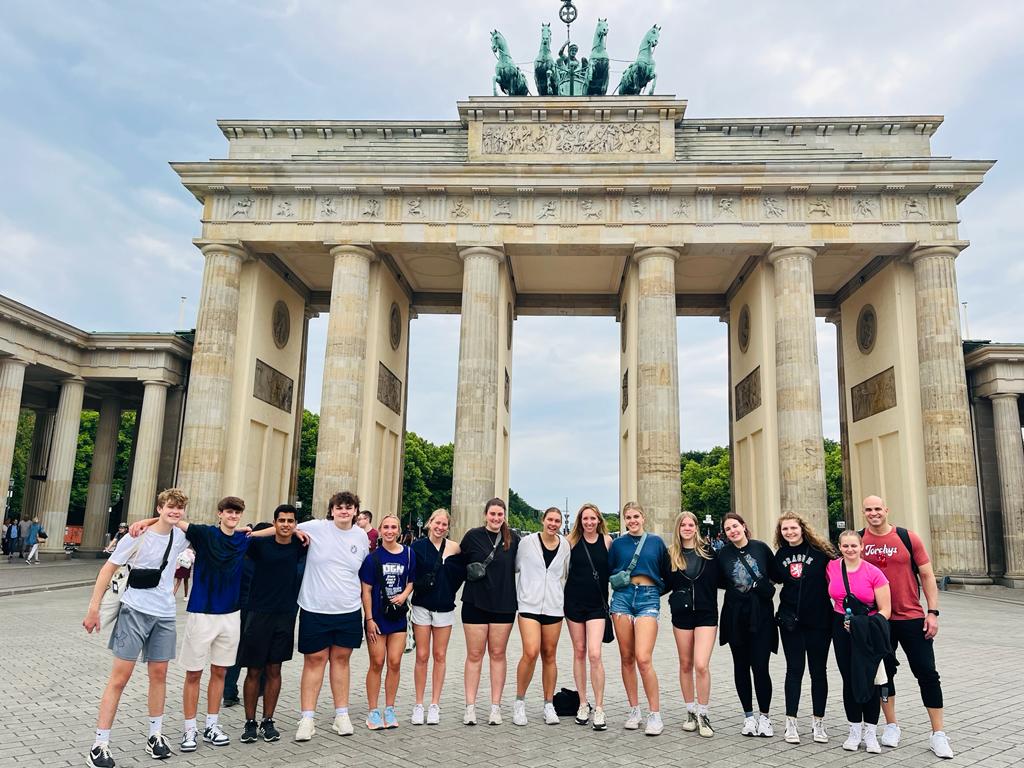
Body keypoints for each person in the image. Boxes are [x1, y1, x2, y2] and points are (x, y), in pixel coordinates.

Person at [131, 495, 256, 752]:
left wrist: (296, 531)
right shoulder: (204, 533)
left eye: (237, 513)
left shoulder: (243, 538)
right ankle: (190, 728)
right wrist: (146, 521)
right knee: (194, 673)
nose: (233, 516)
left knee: (220, 672)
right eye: (229, 512)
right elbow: (173, 519)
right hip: (202, 612)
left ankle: (212, 725)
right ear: (220, 513)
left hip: (231, 614)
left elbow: (272, 531)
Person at [82, 488, 191, 767]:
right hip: (134, 611)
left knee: (159, 675)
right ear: (159, 508)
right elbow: (107, 569)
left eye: (179, 507)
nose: (175, 511)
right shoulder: (136, 535)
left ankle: (155, 736)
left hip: (165, 614)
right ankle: (99, 744)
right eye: (169, 506)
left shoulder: (181, 536)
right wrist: (93, 608)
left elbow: (207, 532)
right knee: (120, 678)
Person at [860, 495, 953, 758]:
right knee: (884, 675)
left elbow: (927, 575)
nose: (874, 513)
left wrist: (932, 612)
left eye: (878, 508)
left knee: (927, 673)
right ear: (864, 512)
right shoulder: (860, 540)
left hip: (911, 616)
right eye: (868, 509)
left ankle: (938, 733)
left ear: (886, 510)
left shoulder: (907, 537)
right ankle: (891, 725)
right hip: (878, 620)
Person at [292, 490, 370, 742]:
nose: (344, 511)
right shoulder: (316, 527)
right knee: (314, 661)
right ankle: (307, 718)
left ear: (355, 511)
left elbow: (363, 573)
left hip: (348, 608)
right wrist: (252, 533)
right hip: (315, 607)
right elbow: (284, 527)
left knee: (341, 661)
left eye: (349, 507)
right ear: (332, 510)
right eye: (339, 507)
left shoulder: (361, 536)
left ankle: (341, 714)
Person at [237, 505, 306, 745]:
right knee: (253, 670)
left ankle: (268, 720)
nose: (286, 524)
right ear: (274, 522)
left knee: (275, 669)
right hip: (259, 613)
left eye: (290, 521)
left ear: (295, 523)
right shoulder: (260, 545)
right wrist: (259, 532)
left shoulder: (299, 545)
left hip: (285, 614)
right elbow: (242, 537)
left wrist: (297, 533)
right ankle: (250, 722)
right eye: (281, 520)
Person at [770, 514, 837, 745]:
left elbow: (841, 572)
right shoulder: (780, 555)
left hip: (820, 621)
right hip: (791, 622)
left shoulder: (821, 552)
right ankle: (791, 721)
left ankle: (819, 722)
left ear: (802, 528)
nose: (790, 532)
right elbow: (773, 579)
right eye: (785, 529)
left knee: (818, 672)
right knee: (794, 670)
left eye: (793, 528)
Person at [826, 530, 891, 753]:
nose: (850, 550)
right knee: (849, 678)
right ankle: (854, 729)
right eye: (845, 546)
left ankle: (871, 732)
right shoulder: (832, 567)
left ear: (862, 546)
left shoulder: (874, 573)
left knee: (869, 679)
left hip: (867, 629)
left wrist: (862, 625)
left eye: (854, 545)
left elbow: (886, 610)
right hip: (840, 627)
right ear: (839, 547)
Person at [608, 501, 669, 736]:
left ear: (643, 517)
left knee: (643, 658)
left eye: (636, 516)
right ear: (624, 520)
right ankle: (634, 710)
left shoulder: (656, 542)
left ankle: (655, 714)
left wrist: (654, 591)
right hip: (622, 598)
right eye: (628, 517)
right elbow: (610, 570)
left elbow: (666, 571)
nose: (632, 521)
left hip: (648, 597)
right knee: (627, 657)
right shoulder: (617, 544)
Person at [459, 497, 520, 726]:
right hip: (475, 602)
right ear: (486, 514)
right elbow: (457, 562)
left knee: (497, 654)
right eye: (492, 514)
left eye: (500, 514)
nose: (496, 518)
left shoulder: (513, 539)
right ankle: (470, 707)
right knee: (474, 655)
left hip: (504, 604)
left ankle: (496, 707)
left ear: (505, 516)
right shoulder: (472, 536)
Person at [718, 511, 777, 738]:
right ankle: (749, 717)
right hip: (735, 617)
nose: (732, 531)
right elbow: (719, 580)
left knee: (761, 667)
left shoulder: (760, 548)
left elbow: (776, 575)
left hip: (761, 616)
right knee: (740, 667)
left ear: (743, 526)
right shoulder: (723, 554)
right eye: (728, 529)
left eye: (735, 526)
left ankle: (765, 717)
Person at [513, 507, 570, 726]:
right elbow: (515, 566)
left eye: (557, 521)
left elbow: (565, 573)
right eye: (550, 520)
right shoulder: (527, 543)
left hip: (554, 607)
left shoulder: (564, 545)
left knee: (549, 654)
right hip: (529, 604)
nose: (553, 524)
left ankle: (548, 704)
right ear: (543, 521)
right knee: (531, 651)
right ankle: (519, 702)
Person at [358, 513, 416, 729]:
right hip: (377, 617)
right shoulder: (372, 558)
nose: (390, 531)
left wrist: (404, 595)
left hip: (398, 616)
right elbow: (366, 590)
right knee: (377, 662)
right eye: (386, 527)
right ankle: (373, 710)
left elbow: (411, 580)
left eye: (394, 527)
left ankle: (389, 709)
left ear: (399, 531)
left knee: (394, 662)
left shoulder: (408, 554)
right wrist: (369, 618)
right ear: (380, 531)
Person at [667, 510, 719, 738]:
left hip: (706, 614)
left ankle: (703, 713)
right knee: (686, 664)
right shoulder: (671, 555)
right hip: (682, 614)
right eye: (683, 525)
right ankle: (690, 711)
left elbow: (723, 578)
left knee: (701, 665)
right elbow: (662, 582)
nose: (687, 528)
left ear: (696, 527)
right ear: (678, 528)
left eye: (691, 525)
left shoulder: (709, 552)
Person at [409, 508, 464, 725]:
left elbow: (462, 571)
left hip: (444, 607)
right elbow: (410, 575)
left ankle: (434, 704)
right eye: (437, 523)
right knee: (422, 655)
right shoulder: (417, 547)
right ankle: (418, 704)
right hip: (422, 606)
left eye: (444, 524)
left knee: (440, 655)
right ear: (429, 523)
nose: (440, 527)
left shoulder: (454, 548)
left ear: (448, 528)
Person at [563, 503, 612, 730]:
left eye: (593, 518)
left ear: (599, 520)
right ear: (580, 521)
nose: (589, 522)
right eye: (585, 519)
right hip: (573, 603)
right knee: (579, 651)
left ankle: (600, 707)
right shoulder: (570, 541)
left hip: (597, 605)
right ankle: (583, 703)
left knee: (594, 653)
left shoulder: (607, 541)